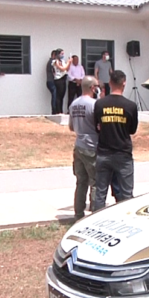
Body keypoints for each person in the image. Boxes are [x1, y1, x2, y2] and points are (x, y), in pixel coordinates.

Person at [92, 70, 139, 211]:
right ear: (124, 83)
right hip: (123, 154)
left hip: (103, 153)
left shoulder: (100, 104)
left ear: (110, 83)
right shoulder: (130, 106)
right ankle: (126, 219)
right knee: (126, 193)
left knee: (100, 193)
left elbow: (97, 127)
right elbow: (132, 130)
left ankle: (96, 220)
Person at [69, 76, 100, 219]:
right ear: (93, 88)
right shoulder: (94, 104)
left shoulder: (73, 104)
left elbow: (71, 127)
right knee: (95, 181)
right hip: (92, 146)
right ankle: (95, 213)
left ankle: (78, 213)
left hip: (78, 145)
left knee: (81, 182)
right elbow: (100, 126)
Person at [52, 49, 71, 114]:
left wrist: (69, 63)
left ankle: (61, 110)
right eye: (61, 54)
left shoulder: (62, 61)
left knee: (62, 95)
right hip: (58, 79)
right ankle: (58, 111)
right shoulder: (55, 61)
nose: (63, 55)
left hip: (63, 78)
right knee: (59, 96)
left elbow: (67, 69)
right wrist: (68, 62)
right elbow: (62, 69)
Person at [46, 50, 57, 114]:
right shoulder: (51, 62)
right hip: (51, 81)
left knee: (55, 95)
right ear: (53, 55)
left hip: (50, 81)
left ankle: (55, 109)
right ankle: (54, 110)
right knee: (54, 94)